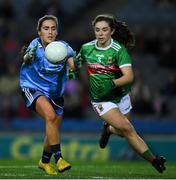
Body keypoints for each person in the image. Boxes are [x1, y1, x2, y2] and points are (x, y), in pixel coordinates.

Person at [76, 14, 166, 173]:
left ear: (111, 31)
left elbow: (129, 77)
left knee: (123, 132)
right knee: (128, 128)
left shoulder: (119, 51)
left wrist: (111, 83)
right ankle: (154, 160)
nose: (100, 33)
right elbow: (75, 65)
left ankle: (108, 129)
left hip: (122, 96)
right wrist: (66, 65)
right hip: (101, 99)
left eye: (104, 30)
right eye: (97, 30)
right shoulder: (86, 48)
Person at [19, 15, 75, 175]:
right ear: (39, 32)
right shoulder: (35, 45)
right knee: (50, 117)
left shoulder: (64, 48)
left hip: (55, 93)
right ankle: (59, 158)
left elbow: (73, 66)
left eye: (53, 28)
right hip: (32, 88)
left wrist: (74, 67)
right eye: (46, 28)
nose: (49, 32)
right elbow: (26, 57)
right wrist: (27, 57)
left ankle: (44, 162)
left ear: (57, 32)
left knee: (53, 127)